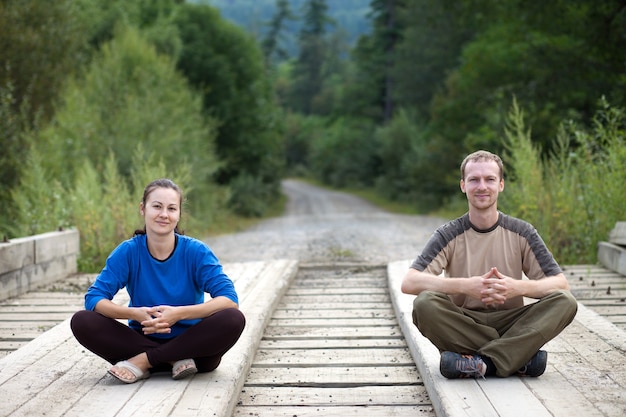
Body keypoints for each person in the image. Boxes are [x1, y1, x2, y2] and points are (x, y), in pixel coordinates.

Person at [401, 150, 577, 379]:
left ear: (501, 185)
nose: (481, 186)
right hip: (463, 321)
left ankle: (482, 363)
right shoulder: (448, 234)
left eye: (490, 179)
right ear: (463, 185)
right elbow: (410, 282)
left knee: (565, 302)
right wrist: (465, 286)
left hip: (511, 323)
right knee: (424, 304)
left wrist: (518, 288)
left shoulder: (522, 232)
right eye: (474, 179)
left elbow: (560, 284)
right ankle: (518, 357)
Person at [71, 178, 245, 384]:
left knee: (233, 319)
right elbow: (94, 299)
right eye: (157, 206)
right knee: (82, 321)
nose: (164, 214)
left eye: (172, 208)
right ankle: (173, 359)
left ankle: (144, 361)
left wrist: (179, 314)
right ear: (143, 209)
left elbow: (229, 298)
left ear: (179, 214)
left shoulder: (196, 251)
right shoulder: (129, 251)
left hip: (193, 346)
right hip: (140, 341)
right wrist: (134, 313)